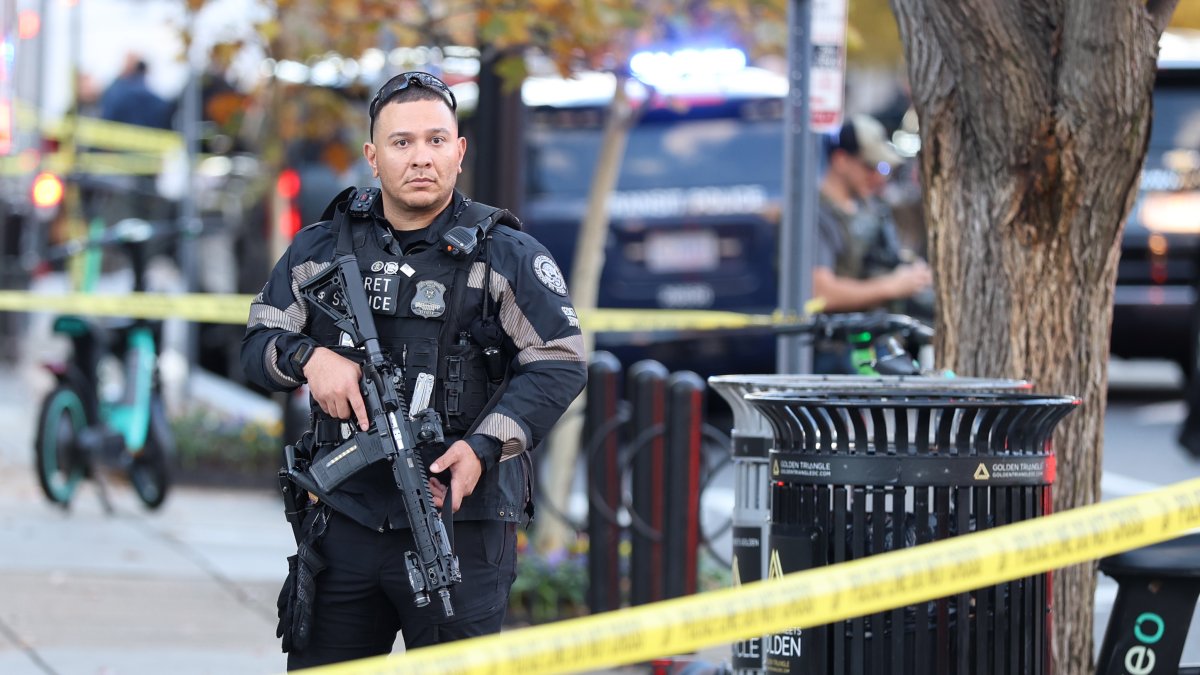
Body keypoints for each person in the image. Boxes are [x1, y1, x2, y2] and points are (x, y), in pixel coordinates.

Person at [241, 71, 588, 668]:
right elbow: (256, 347)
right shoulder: (321, 248)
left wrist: (483, 446)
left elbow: (558, 362)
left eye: (435, 140)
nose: (420, 157)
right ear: (374, 158)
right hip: (344, 518)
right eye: (402, 143)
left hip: (460, 524)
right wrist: (308, 358)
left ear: (459, 151)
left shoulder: (505, 255)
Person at [812, 114, 934, 374]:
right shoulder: (816, 215)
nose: (879, 177)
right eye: (870, 167)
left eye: (884, 169)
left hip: (879, 346)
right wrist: (892, 286)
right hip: (835, 356)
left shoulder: (872, 207)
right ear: (841, 161)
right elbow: (822, 293)